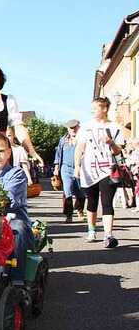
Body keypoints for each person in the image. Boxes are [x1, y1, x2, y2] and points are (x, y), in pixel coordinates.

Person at [0, 131, 34, 288]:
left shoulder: (16, 174)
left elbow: (7, 199)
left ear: (8, 152)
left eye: (1, 151)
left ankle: (17, 278)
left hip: (10, 222)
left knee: (17, 228)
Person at [73, 97, 124, 248]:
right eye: (91, 108)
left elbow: (118, 151)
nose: (92, 111)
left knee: (107, 202)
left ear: (104, 108)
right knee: (92, 200)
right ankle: (92, 230)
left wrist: (111, 143)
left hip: (108, 169)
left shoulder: (115, 127)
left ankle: (108, 235)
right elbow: (79, 148)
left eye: (95, 108)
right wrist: (77, 166)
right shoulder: (86, 127)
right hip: (88, 169)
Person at [53, 119, 86, 223]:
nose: (73, 130)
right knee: (67, 190)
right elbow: (58, 154)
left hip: (80, 167)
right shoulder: (63, 140)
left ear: (78, 127)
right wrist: (56, 167)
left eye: (75, 128)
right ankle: (68, 214)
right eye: (70, 128)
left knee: (80, 190)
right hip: (66, 168)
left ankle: (80, 210)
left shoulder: (83, 139)